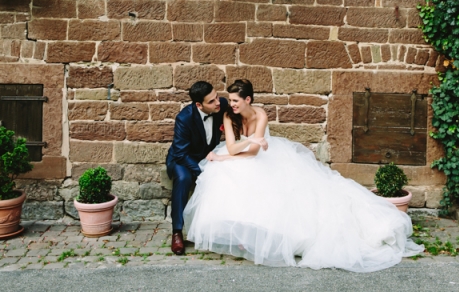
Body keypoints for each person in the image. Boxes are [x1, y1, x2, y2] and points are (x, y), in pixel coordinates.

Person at [183, 79, 425, 272]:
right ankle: (242, 233)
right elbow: (235, 147)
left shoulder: (260, 115)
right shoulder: (229, 115)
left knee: (286, 191)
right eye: (230, 100)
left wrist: (246, 145)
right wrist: (231, 153)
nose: (230, 104)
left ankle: (272, 235)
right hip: (239, 155)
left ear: (248, 100)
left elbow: (254, 152)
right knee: (224, 177)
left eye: (235, 101)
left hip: (260, 157)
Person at [165, 81, 230, 255]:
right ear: (199, 105)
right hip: (182, 158)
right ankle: (177, 232)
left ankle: (224, 229)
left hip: (207, 155)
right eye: (211, 101)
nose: (217, 102)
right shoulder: (184, 118)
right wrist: (202, 171)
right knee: (184, 178)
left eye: (216, 96)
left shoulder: (220, 106)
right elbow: (180, 153)